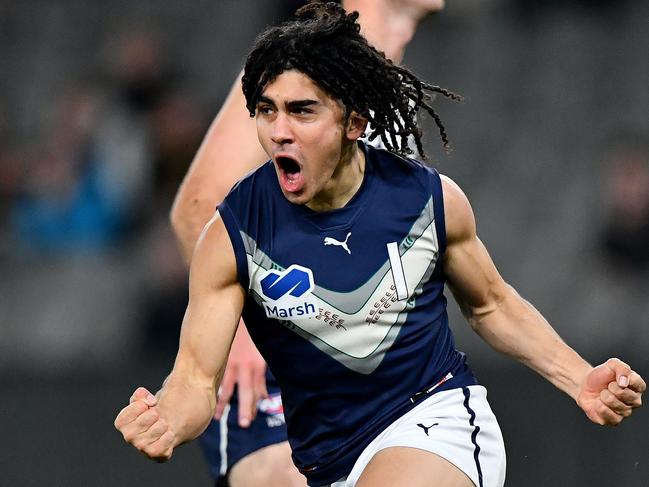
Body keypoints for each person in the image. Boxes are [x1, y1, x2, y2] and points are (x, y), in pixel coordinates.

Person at [115, 4, 645, 487]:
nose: (278, 131)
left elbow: (491, 304)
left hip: (431, 418)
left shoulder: (426, 199)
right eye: (266, 110)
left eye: (302, 111)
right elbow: (195, 379)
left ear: (355, 124)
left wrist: (579, 377)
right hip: (325, 461)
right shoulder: (232, 233)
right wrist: (165, 420)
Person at [170, 1, 445, 485]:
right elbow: (198, 205)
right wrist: (240, 333)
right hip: (285, 349)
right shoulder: (304, 61)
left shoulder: (370, 70)